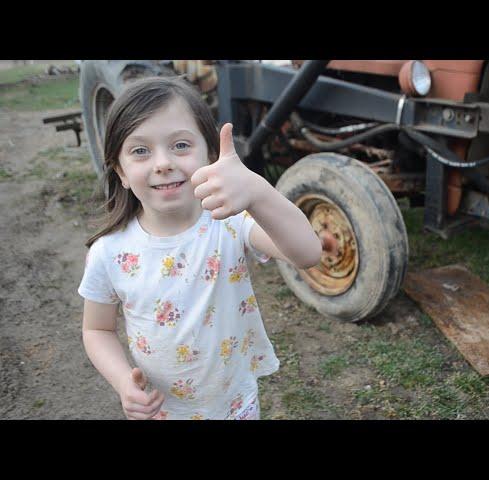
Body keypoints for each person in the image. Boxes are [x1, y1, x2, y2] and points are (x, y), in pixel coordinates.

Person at [78, 76, 322, 420]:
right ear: (120, 171)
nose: (162, 162)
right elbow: (97, 329)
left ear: (210, 153)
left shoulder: (231, 222)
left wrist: (258, 190)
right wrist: (122, 383)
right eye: (140, 150)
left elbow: (308, 252)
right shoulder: (109, 253)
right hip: (162, 412)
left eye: (180, 145)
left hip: (237, 405)